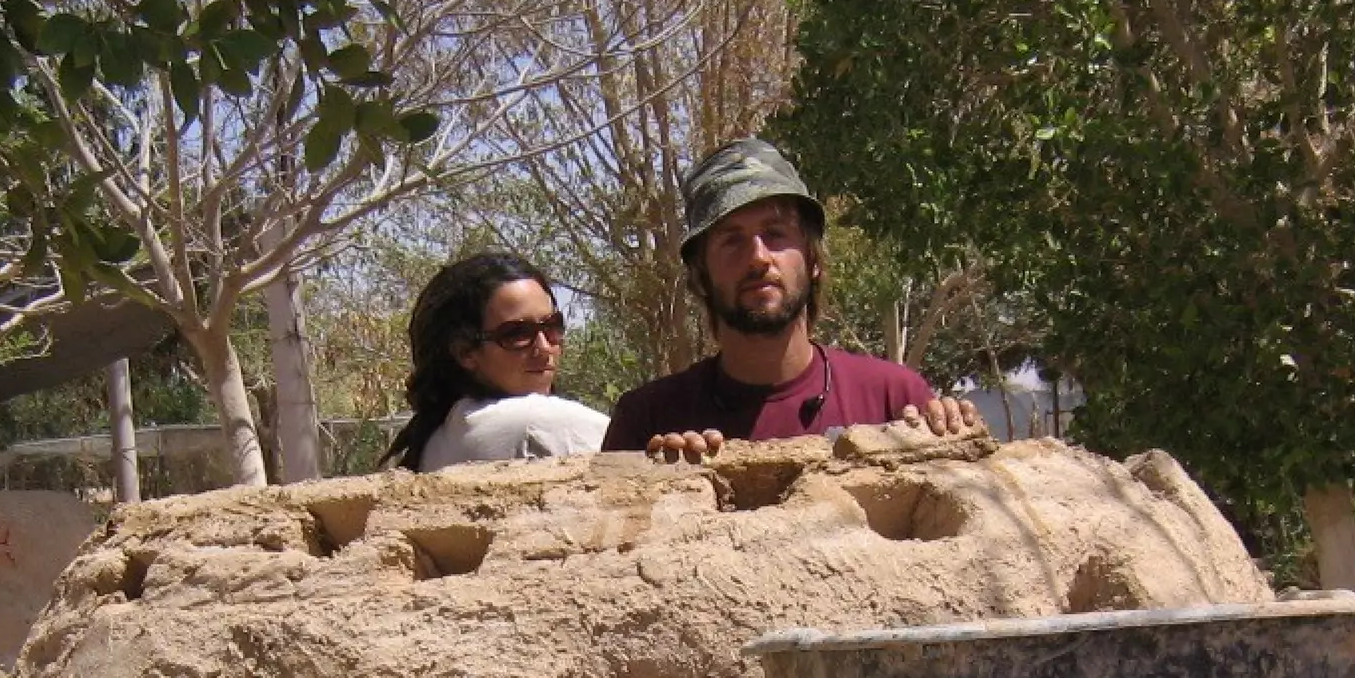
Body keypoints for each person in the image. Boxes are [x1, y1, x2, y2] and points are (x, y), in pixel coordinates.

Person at [602, 139, 982, 462]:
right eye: (732, 240)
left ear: (812, 259)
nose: (758, 257)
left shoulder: (895, 400)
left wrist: (952, 430)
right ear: (701, 275)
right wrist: (665, 488)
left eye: (776, 233)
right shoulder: (648, 420)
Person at [382, 253, 609, 473]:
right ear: (465, 352)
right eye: (517, 334)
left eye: (552, 326)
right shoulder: (538, 423)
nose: (544, 347)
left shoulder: (436, 438)